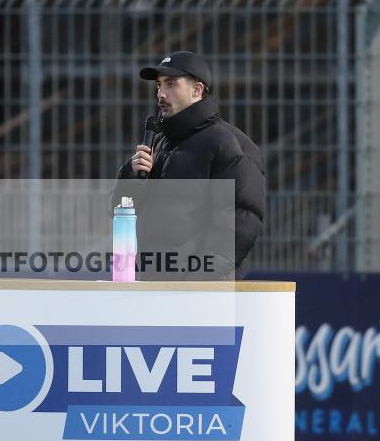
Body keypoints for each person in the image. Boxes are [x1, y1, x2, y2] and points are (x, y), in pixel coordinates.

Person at [112, 51, 265, 279]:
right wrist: (131, 176)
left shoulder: (229, 144)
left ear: (197, 90)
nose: (161, 94)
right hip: (152, 284)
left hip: (196, 292)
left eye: (171, 84)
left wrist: (195, 282)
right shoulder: (159, 143)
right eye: (159, 85)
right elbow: (118, 212)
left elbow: (236, 227)